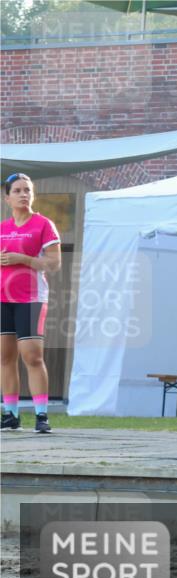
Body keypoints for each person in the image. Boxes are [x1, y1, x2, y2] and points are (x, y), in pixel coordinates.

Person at [1, 173, 61, 433]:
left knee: (32, 357)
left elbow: (54, 264)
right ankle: (10, 415)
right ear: (7, 198)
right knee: (5, 358)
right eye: (17, 190)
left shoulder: (43, 224)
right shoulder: (2, 228)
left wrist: (22, 258)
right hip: (3, 299)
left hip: (30, 298)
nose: (23, 194)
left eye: (27, 190)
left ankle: (41, 416)